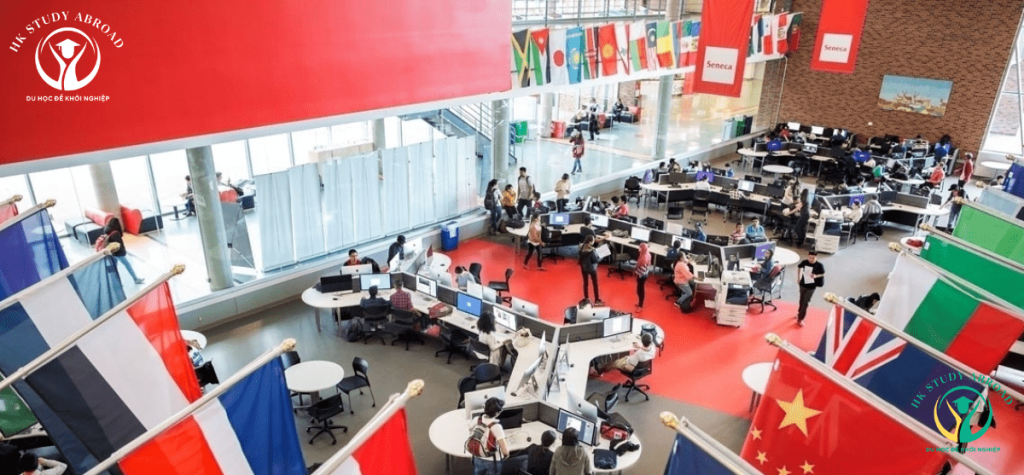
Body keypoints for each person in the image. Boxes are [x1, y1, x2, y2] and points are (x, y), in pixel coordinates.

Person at [470, 397, 510, 475]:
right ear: (497, 413)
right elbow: (505, 451)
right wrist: (506, 455)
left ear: (484, 407)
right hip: (493, 461)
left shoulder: (476, 420)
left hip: (478, 457)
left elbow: (471, 431)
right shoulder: (496, 427)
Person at [102, 218, 144, 284]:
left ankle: (114, 282)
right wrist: (123, 252)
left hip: (112, 253)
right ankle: (135, 279)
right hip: (118, 253)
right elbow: (119, 245)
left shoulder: (107, 230)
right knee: (128, 265)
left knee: (113, 268)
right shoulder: (115, 233)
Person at [796, 251, 825, 326]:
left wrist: (816, 276)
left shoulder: (819, 265)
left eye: (813, 258)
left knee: (805, 302)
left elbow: (823, 274)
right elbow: (799, 267)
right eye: (810, 258)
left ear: (816, 257)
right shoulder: (804, 262)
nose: (811, 259)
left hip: (812, 286)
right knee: (801, 299)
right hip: (803, 284)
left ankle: (800, 318)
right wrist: (799, 277)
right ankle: (799, 313)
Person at [578, 235, 602, 305]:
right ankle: (597, 299)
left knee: (585, 283)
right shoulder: (591, 251)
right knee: (595, 284)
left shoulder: (581, 247)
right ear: (590, 242)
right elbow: (595, 260)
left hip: (583, 267)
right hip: (591, 269)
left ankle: (586, 297)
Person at [634, 242, 652, 310]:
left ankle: (640, 306)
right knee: (639, 290)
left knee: (640, 290)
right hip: (643, 274)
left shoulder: (644, 258)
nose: (639, 249)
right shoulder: (646, 254)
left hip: (642, 275)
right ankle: (639, 303)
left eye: (640, 247)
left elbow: (641, 267)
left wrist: (637, 273)